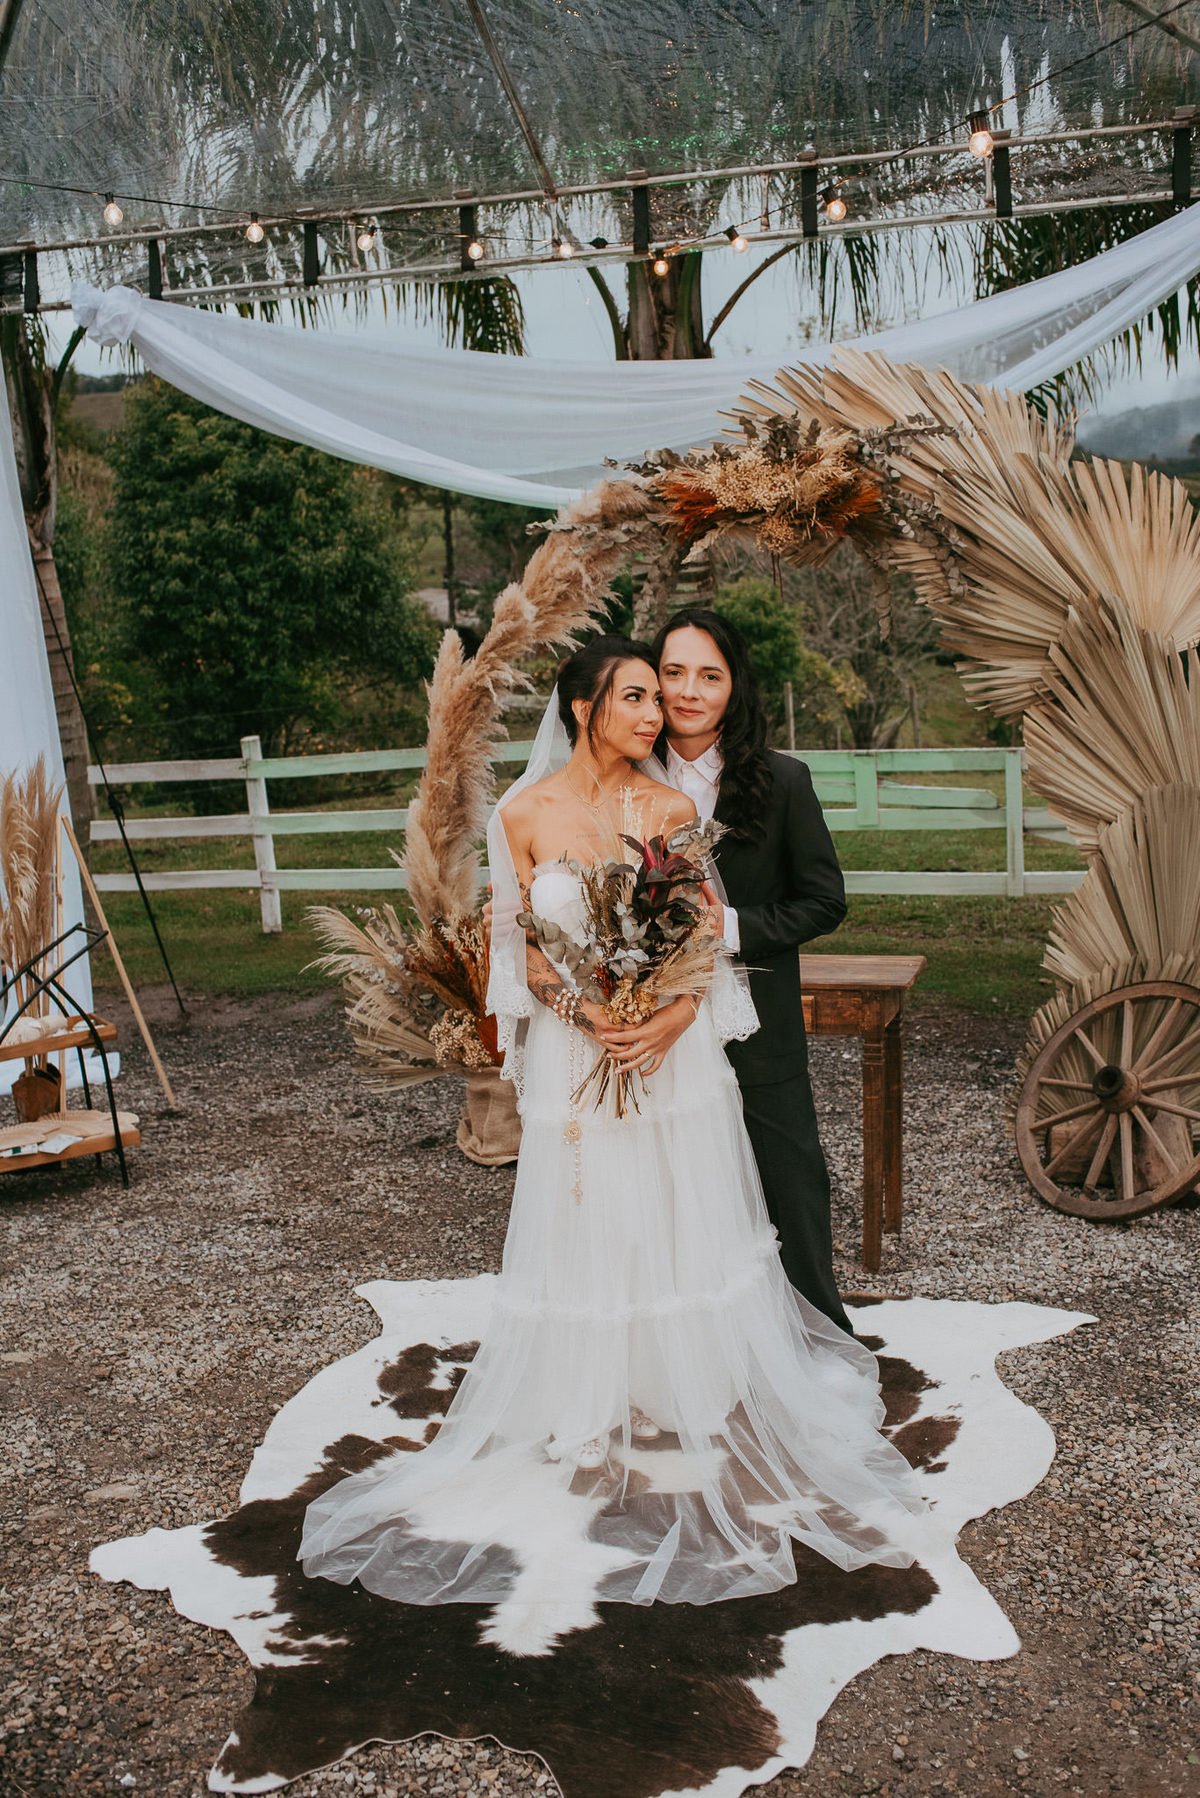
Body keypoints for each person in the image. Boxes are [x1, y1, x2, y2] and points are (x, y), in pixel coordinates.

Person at [299, 636, 929, 1621]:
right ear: (585, 705)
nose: (657, 712)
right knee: (589, 1209)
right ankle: (591, 1396)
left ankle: (695, 1379)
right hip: (573, 1050)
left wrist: (665, 1017)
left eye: (665, 693)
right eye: (637, 695)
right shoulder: (524, 812)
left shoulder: (673, 811)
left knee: (682, 1203)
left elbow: (701, 943)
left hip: (668, 1049)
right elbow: (516, 948)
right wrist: (584, 1010)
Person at [644, 606, 853, 1333]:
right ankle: (692, 1343)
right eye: (674, 673)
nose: (689, 691)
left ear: (735, 688)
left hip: (757, 1017)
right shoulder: (621, 783)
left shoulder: (782, 780)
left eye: (710, 675)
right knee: (669, 1183)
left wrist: (728, 928)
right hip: (653, 1026)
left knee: (790, 1180)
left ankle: (818, 1334)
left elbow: (825, 901)